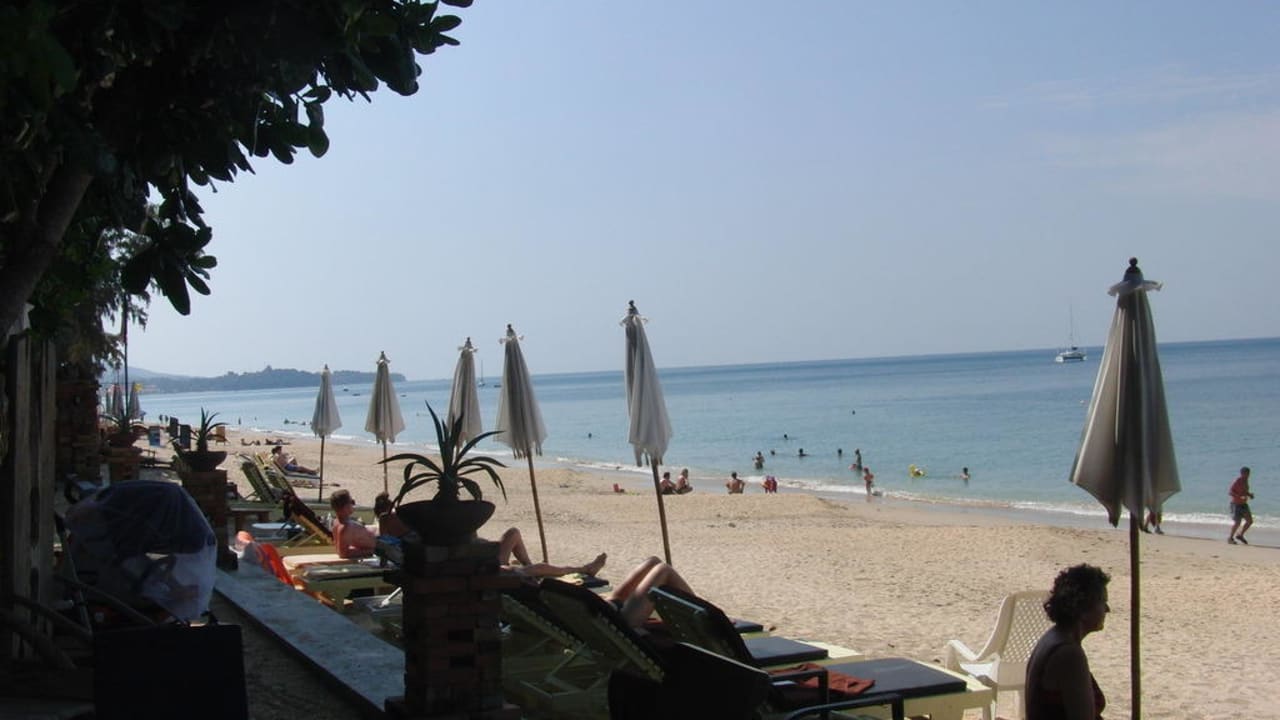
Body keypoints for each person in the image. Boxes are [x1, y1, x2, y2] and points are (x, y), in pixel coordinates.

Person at [1025, 564, 1111, 720]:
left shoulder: (1054, 637)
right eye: (1102, 602)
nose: (1107, 609)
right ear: (1084, 609)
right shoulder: (1069, 654)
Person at [603, 556, 695, 630]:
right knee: (659, 566)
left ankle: (613, 604)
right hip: (620, 625)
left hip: (605, 613)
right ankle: (613, 603)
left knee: (658, 565)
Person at [495, 527, 606, 579]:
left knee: (513, 533)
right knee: (541, 568)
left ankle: (530, 568)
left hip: (489, 563)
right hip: (491, 573)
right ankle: (585, 569)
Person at [330, 489, 377, 559]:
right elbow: (342, 553)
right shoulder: (345, 527)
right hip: (380, 544)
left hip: (376, 539)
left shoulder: (336, 523)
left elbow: (339, 549)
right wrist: (371, 551)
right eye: (351, 502)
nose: (353, 504)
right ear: (345, 507)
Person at [1228, 466, 1254, 545]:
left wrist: (1249, 495)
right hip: (1236, 504)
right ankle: (1230, 538)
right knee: (1237, 522)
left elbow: (1244, 491)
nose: (1247, 475)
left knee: (1249, 521)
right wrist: (1238, 496)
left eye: (1248, 474)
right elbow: (1230, 492)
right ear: (1242, 474)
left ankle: (1240, 535)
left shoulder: (1246, 481)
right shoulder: (1238, 481)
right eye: (1246, 474)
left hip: (1243, 504)